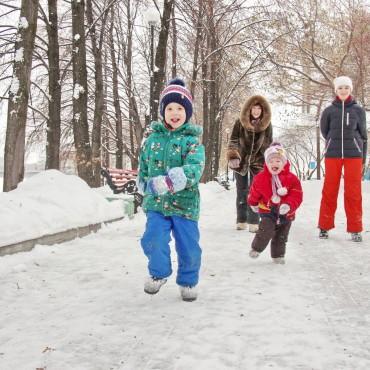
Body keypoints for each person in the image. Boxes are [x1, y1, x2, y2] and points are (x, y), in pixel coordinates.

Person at [137, 78, 205, 302]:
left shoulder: (192, 142)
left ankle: (188, 280)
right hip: (156, 204)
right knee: (152, 238)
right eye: (169, 108)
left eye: (179, 108)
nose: (174, 113)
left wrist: (168, 182)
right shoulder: (151, 140)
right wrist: (143, 185)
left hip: (184, 205)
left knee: (189, 247)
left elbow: (194, 168)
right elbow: (144, 167)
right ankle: (158, 273)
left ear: (186, 112)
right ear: (163, 112)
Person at [318, 76, 367, 242]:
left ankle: (355, 228)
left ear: (350, 89)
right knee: (329, 190)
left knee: (353, 192)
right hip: (333, 154)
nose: (343, 90)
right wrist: (332, 142)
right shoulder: (329, 111)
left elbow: (363, 135)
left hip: (354, 155)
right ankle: (324, 226)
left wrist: (363, 157)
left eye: (346, 87)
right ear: (336, 90)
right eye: (340, 88)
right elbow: (324, 131)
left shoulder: (358, 110)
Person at [247, 143, 303, 264]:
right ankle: (256, 248)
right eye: (271, 161)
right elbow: (254, 192)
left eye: (278, 161)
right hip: (268, 209)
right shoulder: (261, 178)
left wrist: (288, 205)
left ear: (284, 163)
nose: (274, 164)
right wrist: (253, 202)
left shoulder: (291, 178)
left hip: (286, 212)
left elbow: (297, 195)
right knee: (266, 229)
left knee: (281, 236)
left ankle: (278, 256)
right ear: (267, 163)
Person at [226, 95, 273, 232]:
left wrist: (268, 160)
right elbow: (233, 140)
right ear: (249, 109)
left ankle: (254, 221)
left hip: (258, 163)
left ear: (263, 110)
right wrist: (233, 156)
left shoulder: (267, 125)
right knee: (241, 191)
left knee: (255, 192)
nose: (256, 111)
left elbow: (269, 143)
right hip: (240, 162)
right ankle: (241, 220)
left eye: (259, 108)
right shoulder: (239, 122)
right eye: (254, 108)